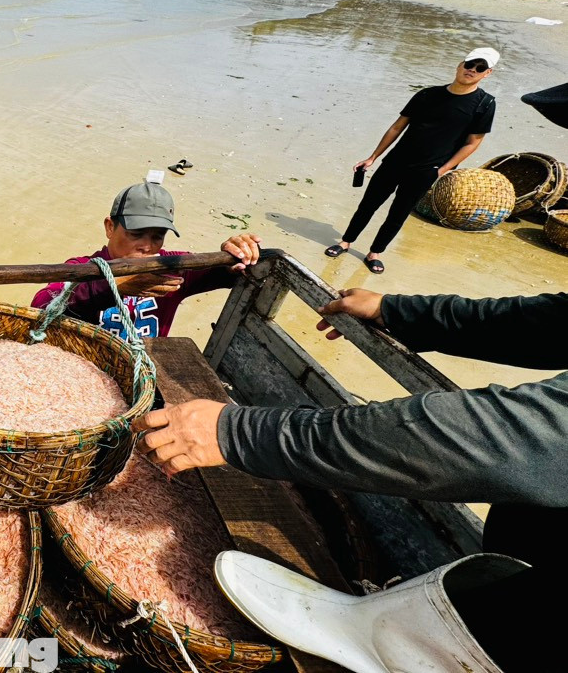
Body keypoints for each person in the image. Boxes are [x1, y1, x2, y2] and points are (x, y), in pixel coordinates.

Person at [137, 286, 567, 671]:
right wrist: (400, 311)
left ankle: (391, 645)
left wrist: (239, 432)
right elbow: (547, 322)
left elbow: (496, 436)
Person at [325, 47, 499, 274]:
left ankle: (375, 253)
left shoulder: (485, 104)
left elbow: (473, 142)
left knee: (398, 213)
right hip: (395, 161)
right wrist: (373, 157)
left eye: (480, 68)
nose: (472, 70)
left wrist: (443, 169)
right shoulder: (427, 95)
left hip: (428, 169)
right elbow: (398, 126)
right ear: (460, 64)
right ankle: (346, 242)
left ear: (487, 73)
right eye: (470, 64)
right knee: (368, 204)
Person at [31, 181, 262, 340]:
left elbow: (226, 272)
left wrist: (237, 253)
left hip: (147, 369)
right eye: (136, 234)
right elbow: (40, 306)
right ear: (110, 227)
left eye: (157, 236)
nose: (147, 246)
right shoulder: (82, 268)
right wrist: (115, 286)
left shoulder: (173, 267)